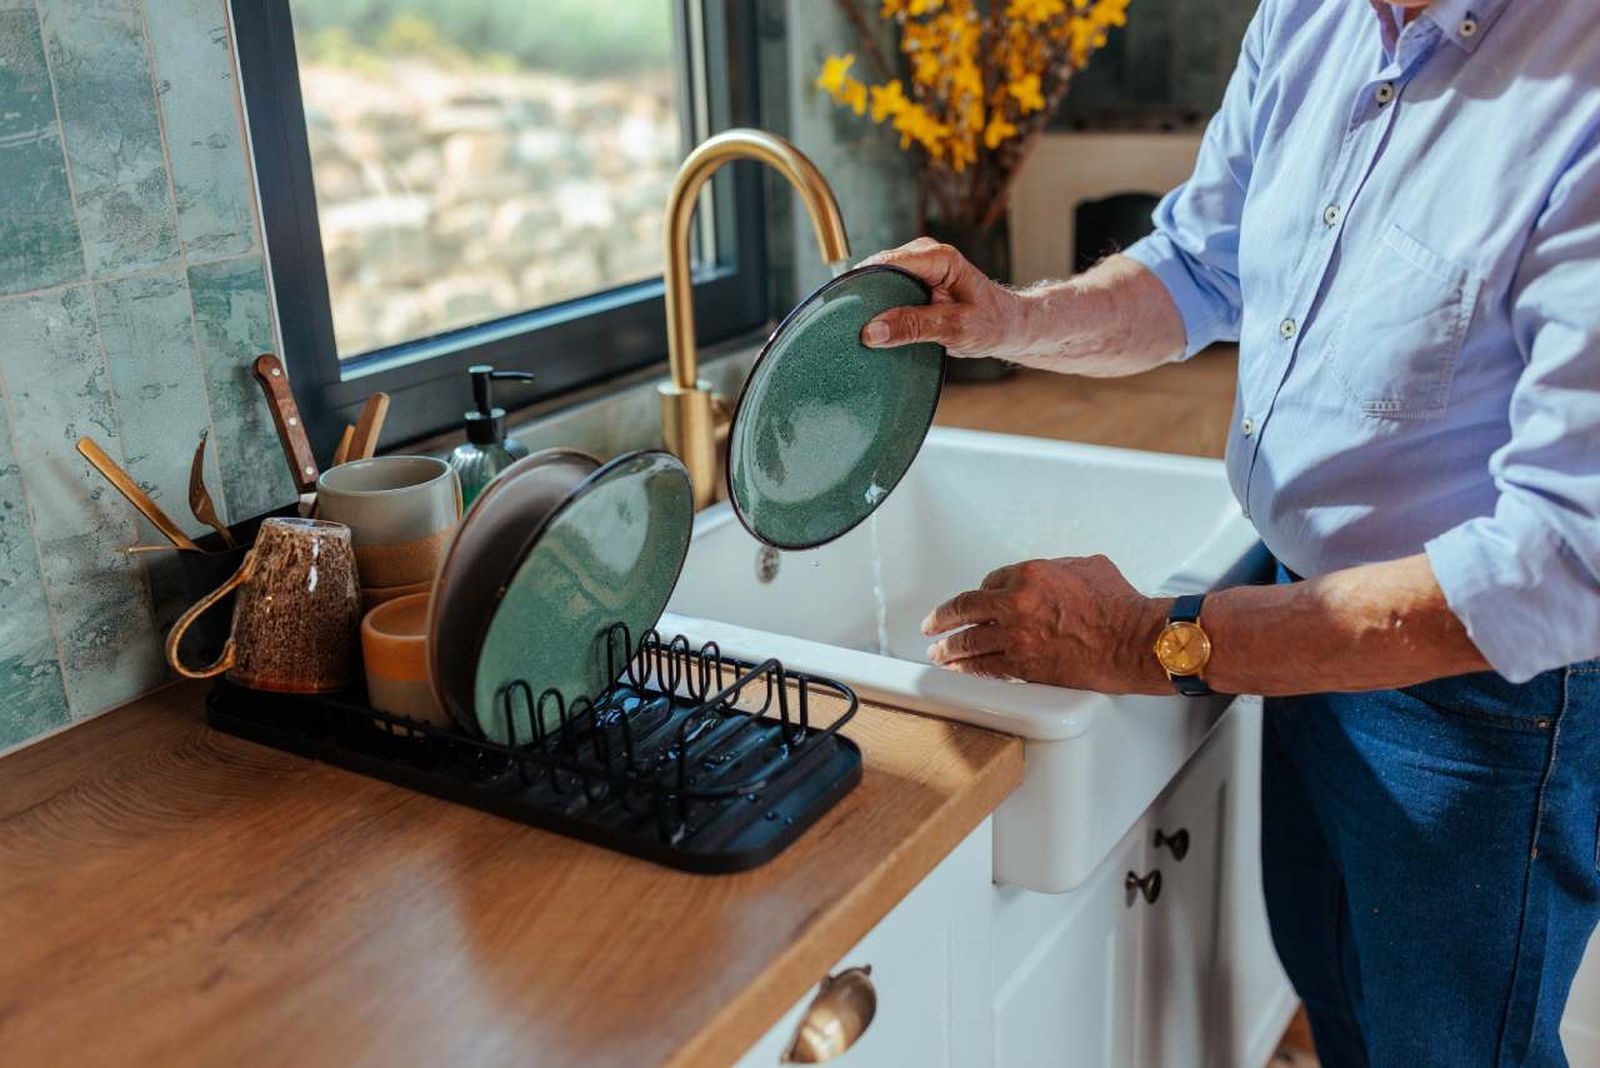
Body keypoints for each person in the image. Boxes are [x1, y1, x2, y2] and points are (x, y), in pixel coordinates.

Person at [858, 1, 1600, 1064]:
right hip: (1303, 620)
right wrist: (1013, 321)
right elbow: (1204, 266)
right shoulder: (1311, 16)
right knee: (1338, 990)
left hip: (1479, 700)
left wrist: (1138, 641)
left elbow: (1561, 562)